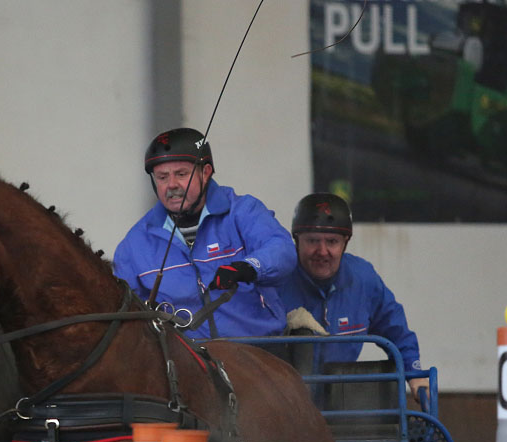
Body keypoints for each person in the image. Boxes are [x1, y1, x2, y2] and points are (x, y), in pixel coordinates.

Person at [113, 127, 296, 340]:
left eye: (181, 174)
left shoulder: (242, 211)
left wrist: (248, 267)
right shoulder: (135, 243)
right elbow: (121, 310)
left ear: (205, 172)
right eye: (162, 177)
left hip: (258, 349)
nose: (171, 185)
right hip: (188, 363)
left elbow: (282, 248)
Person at [277, 192, 429, 400]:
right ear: (296, 241)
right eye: (312, 240)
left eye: (332, 241)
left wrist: (415, 374)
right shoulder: (276, 281)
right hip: (284, 402)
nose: (322, 251)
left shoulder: (363, 279)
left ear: (345, 243)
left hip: (342, 401)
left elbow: (396, 330)